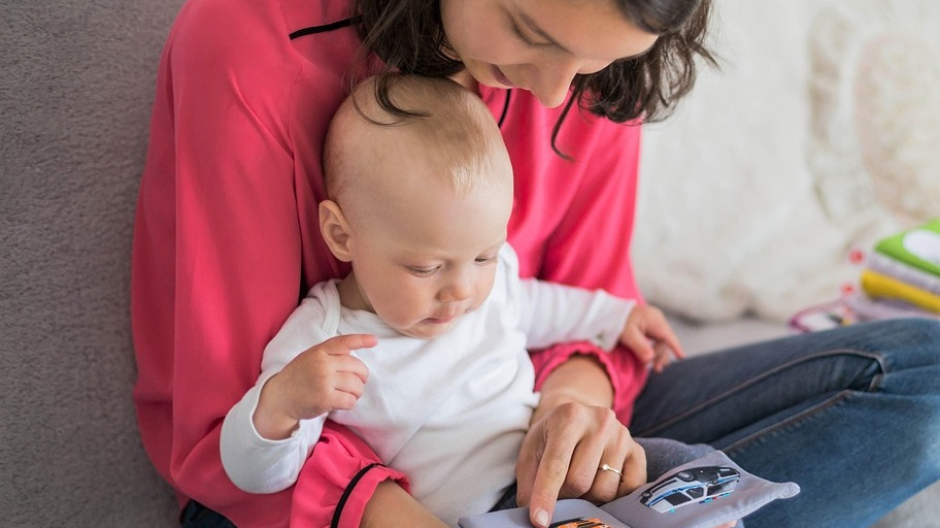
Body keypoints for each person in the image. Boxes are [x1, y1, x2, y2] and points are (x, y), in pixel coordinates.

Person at [130, 0, 940, 526]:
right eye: (528, 32)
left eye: (591, 64)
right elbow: (228, 429)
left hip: (518, 440)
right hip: (307, 487)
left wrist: (573, 412)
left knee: (926, 382)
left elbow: (585, 299)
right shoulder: (249, 46)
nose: (556, 95)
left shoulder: (591, 62)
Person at [218, 74, 686, 527]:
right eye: (426, 268)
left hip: (550, 474)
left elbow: (541, 306)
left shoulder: (486, 284)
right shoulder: (325, 339)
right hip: (480, 514)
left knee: (680, 465)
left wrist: (617, 316)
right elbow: (254, 476)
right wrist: (282, 404)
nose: (463, 291)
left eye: (485, 255)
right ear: (342, 235)